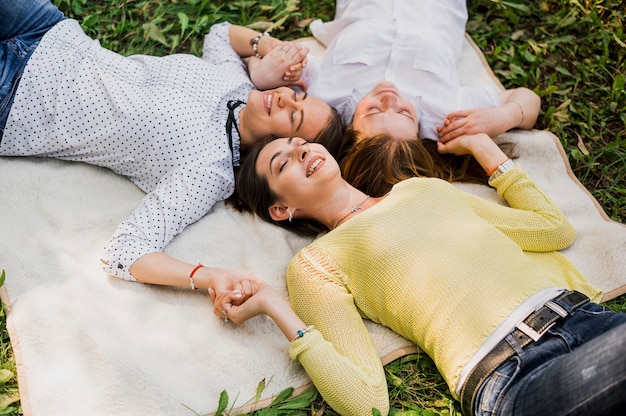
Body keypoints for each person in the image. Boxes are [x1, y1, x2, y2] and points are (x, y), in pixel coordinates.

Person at [212, 133, 626, 416]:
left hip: (583, 318)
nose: (303, 151)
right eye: (285, 161)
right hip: (512, 370)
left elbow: (552, 230)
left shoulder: (422, 190)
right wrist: (272, 305)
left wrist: (485, 149)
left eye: (302, 143)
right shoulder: (316, 265)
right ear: (281, 209)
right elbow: (365, 403)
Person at [0, 0, 344, 291]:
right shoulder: (239, 85)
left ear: (278, 145)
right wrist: (267, 47)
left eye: (295, 117)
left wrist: (207, 277)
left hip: (18, 98)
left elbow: (126, 251)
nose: (285, 97)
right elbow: (221, 34)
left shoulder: (209, 170)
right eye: (298, 95)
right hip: (51, 32)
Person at [300, 0, 541, 195]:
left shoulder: (325, 100)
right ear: (418, 132)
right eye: (405, 112)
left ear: (349, 128)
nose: (390, 98)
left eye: (373, 110)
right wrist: (505, 116)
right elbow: (528, 100)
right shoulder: (447, 115)